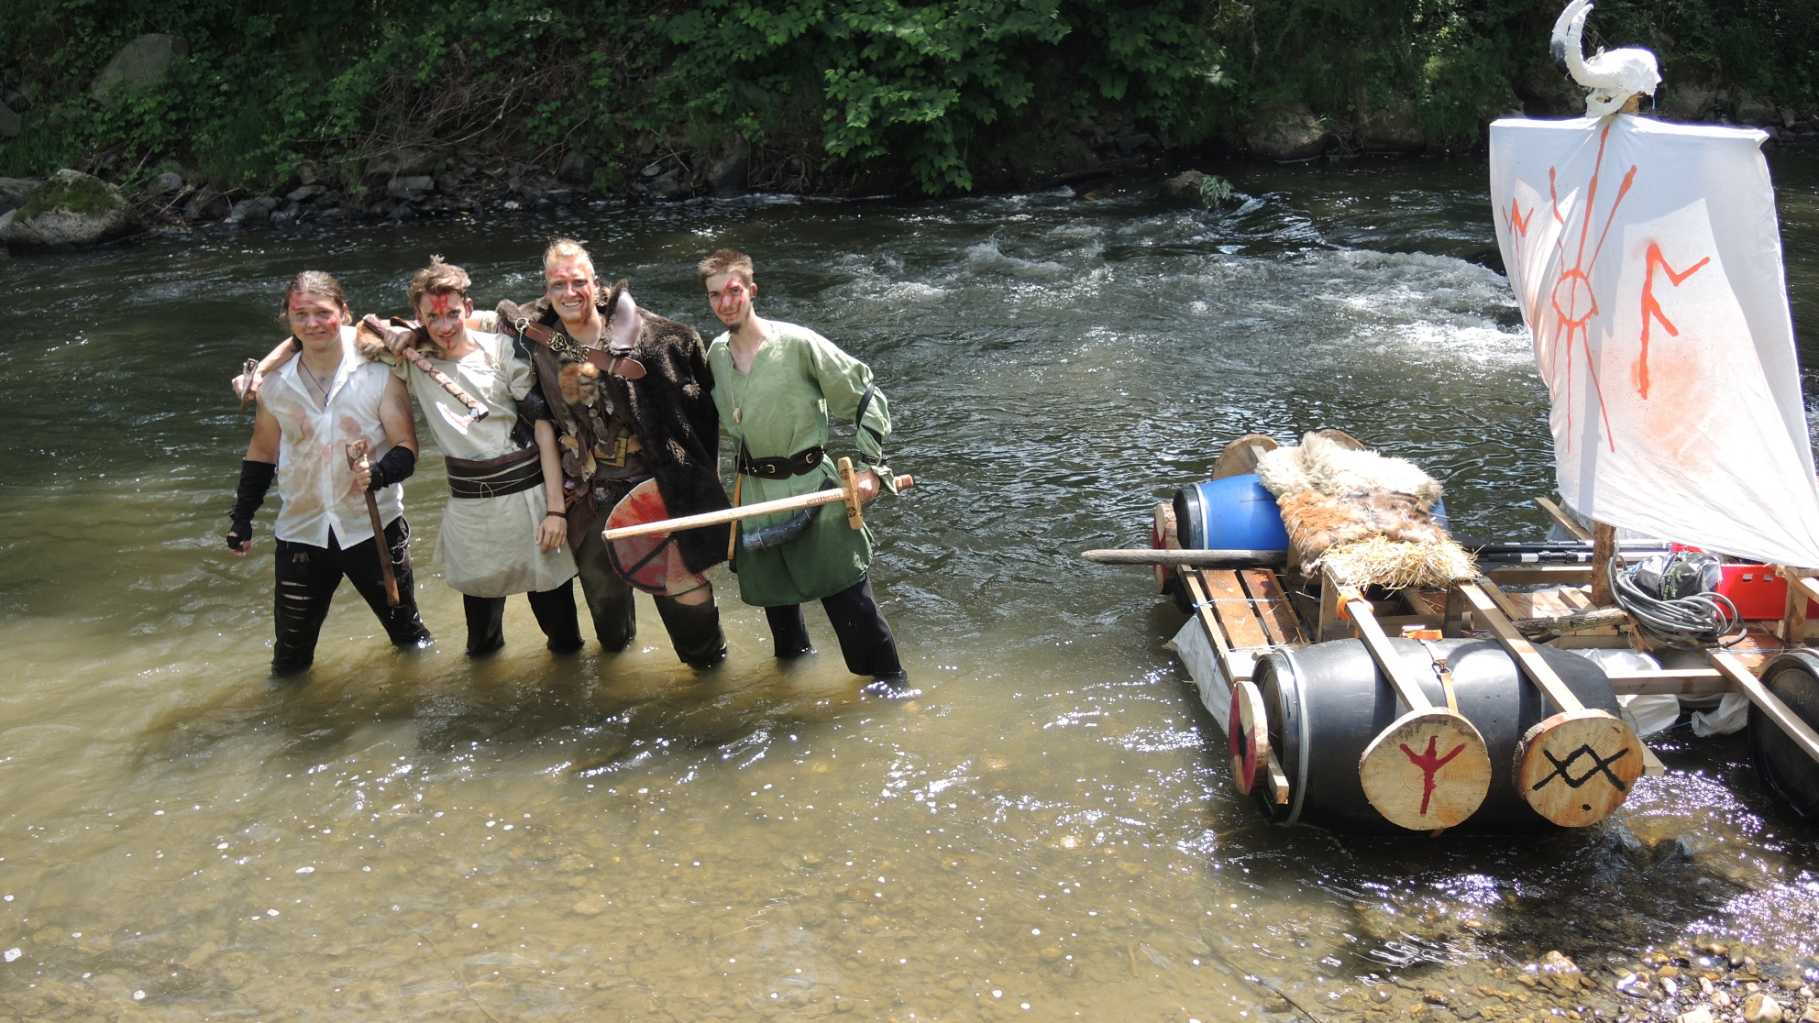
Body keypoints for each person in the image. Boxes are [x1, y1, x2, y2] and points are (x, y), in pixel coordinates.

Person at [491, 239, 730, 667]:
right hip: (590, 497)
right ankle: (624, 692)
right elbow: (481, 322)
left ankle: (713, 682)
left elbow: (700, 410)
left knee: (688, 605)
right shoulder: (535, 338)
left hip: (656, 491)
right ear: (546, 291)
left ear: (595, 285)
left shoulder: (645, 337)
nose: (568, 293)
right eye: (557, 284)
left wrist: (699, 487)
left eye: (578, 282)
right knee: (610, 626)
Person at [697, 248, 907, 686]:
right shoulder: (716, 355)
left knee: (854, 609)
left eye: (733, 291)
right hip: (755, 497)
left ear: (751, 290)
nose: (725, 303)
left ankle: (896, 698)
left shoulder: (798, 343)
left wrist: (871, 468)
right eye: (715, 295)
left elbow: (865, 396)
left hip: (813, 487)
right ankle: (792, 699)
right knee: (783, 626)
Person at [371, 257, 584, 657]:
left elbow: (542, 428)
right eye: (432, 317)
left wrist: (556, 510)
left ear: (467, 309)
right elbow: (342, 331)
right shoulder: (412, 360)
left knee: (564, 639)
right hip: (470, 509)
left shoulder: (501, 351)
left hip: (529, 501)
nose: (446, 325)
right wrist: (401, 335)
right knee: (481, 646)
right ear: (419, 316)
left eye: (453, 313)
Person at [224, 271, 432, 675]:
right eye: (300, 314)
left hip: (372, 529)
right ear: (287, 318)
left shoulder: (379, 371)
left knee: (410, 639)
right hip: (301, 531)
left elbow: (407, 447)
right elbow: (263, 452)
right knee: (289, 659)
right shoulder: (275, 384)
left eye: (323, 313)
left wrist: (380, 473)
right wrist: (242, 518)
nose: (312, 323)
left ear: (344, 313)